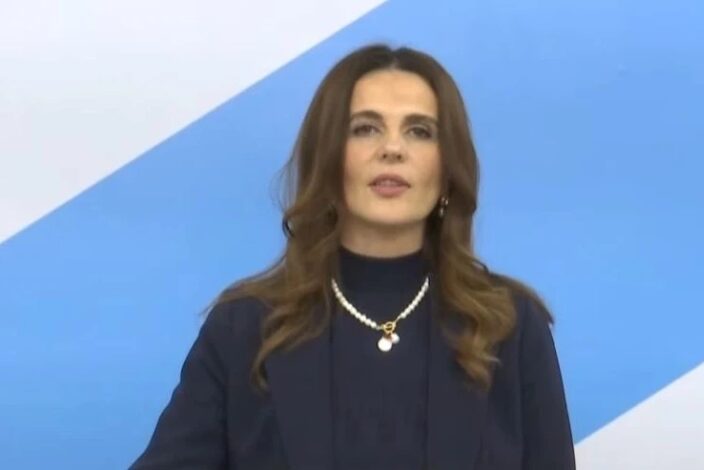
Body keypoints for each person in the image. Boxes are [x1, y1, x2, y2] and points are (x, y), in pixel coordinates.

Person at [130, 43, 576, 470]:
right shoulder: (245, 327)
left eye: (419, 131)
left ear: (447, 170)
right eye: (365, 128)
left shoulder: (509, 326)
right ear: (327, 158)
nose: (393, 149)